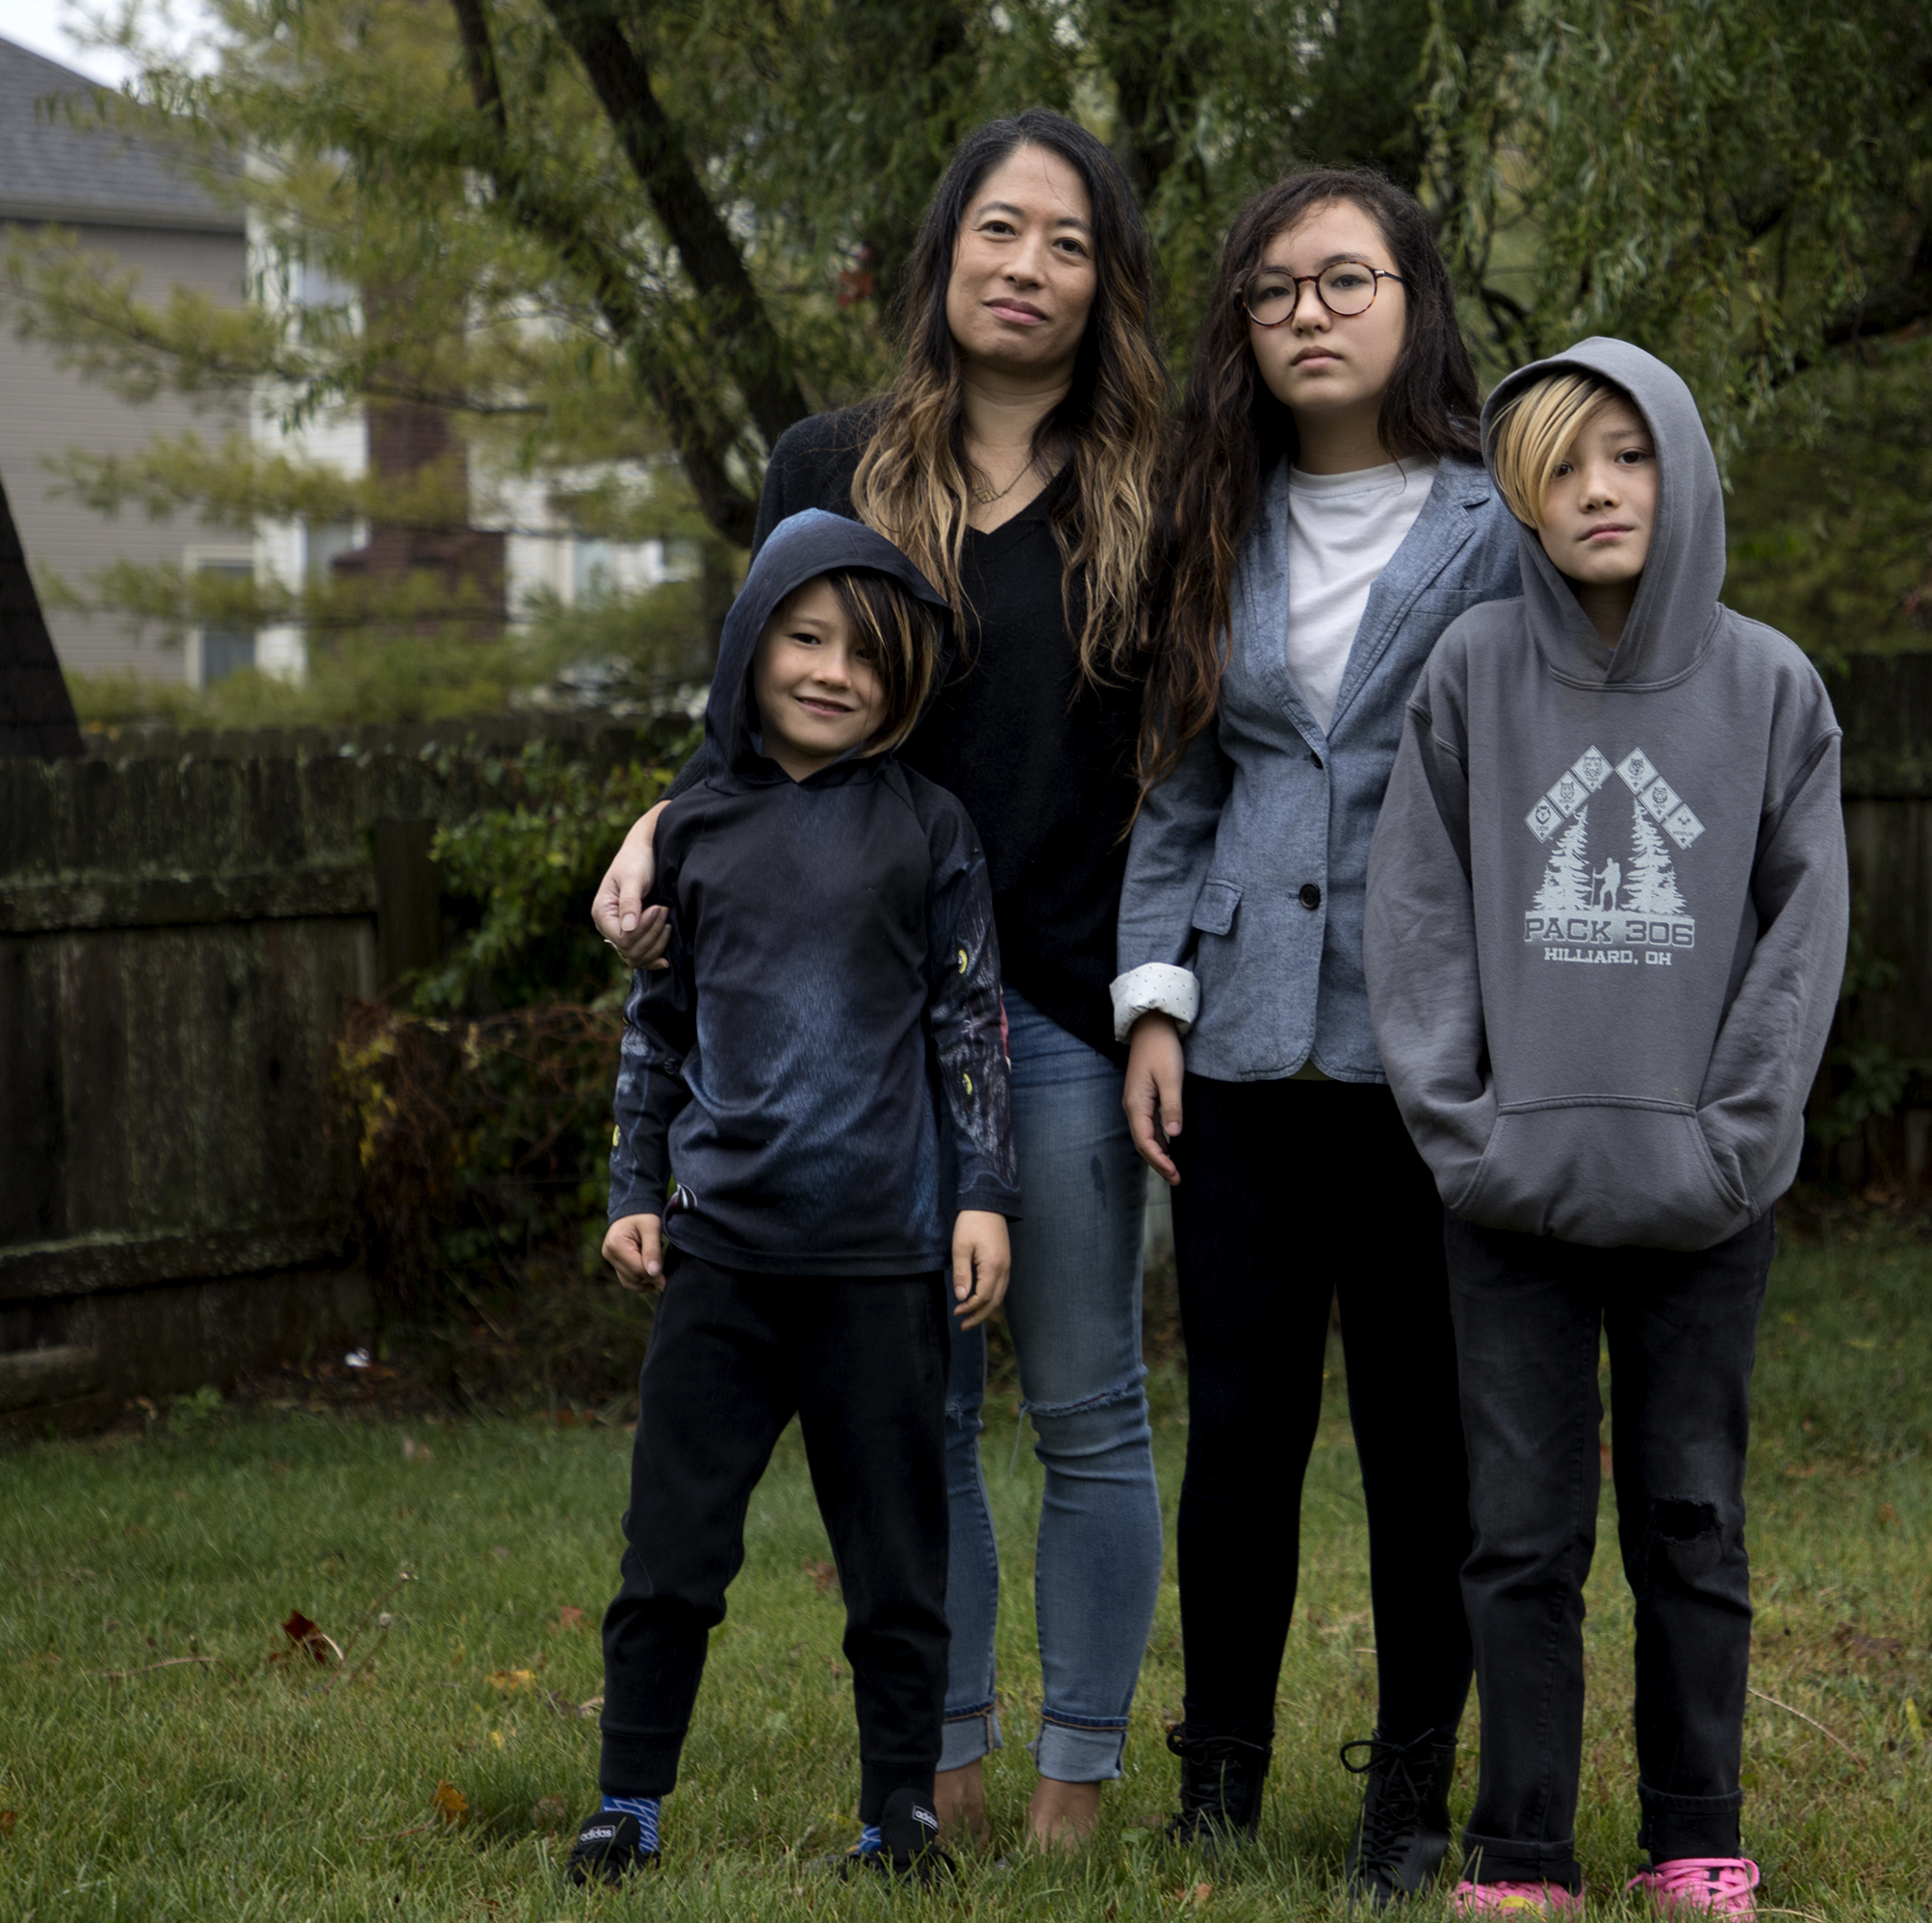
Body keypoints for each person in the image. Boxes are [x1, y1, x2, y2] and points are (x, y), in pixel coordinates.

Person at [588, 109, 1165, 1849]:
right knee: (916, 1427)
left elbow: (1187, 763)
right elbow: (744, 716)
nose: (1029, 267)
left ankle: (1076, 1781)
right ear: (945, 252)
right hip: (851, 1021)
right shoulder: (830, 462)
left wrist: (1159, 999)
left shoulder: (1155, 489)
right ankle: (944, 1764)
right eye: (1002, 228)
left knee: (1083, 1404)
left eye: (1069, 242)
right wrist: (652, 825)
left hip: (1055, 1009)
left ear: (1103, 282)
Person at [1363, 339, 1849, 1919]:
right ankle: (1523, 1851)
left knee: (1690, 1518)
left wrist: (1734, 1145)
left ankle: (1695, 1829)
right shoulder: (1473, 677)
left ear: (1683, 470)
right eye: (1561, 467)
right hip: (1510, 1197)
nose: (1598, 491)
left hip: (1704, 1195)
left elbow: (1801, 938)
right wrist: (1466, 1134)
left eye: (1629, 457)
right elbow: (1419, 916)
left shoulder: (1771, 685)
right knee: (1517, 1533)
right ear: (1520, 496)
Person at [1114, 167, 1515, 1906]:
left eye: (1344, 279)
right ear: (1246, 332)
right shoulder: (1223, 512)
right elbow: (1182, 780)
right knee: (1246, 1431)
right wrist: (1151, 1000)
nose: (1310, 313)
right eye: (1275, 291)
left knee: (1428, 1441)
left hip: (1433, 1058)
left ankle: (1410, 1796)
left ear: (1412, 300)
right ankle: (1217, 1783)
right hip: (1243, 1057)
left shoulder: (1501, 522)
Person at [572, 510, 1018, 1889]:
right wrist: (634, 1183)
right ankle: (627, 1805)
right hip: (722, 1258)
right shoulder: (692, 828)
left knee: (895, 1565)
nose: (832, 672)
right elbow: (659, 1024)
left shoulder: (927, 827)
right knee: (670, 1556)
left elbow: (968, 1022)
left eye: (866, 656)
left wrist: (983, 1193)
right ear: (751, 645)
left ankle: (902, 1821)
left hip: (882, 1263)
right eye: (805, 639)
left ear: (905, 681)